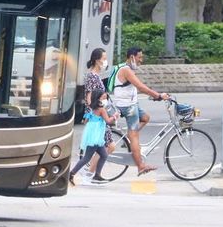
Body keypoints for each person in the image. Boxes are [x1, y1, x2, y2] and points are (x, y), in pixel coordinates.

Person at [111, 46, 170, 176]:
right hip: (128, 106)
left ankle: (129, 138)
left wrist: (153, 97)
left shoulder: (128, 69)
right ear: (132, 57)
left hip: (131, 104)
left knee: (145, 118)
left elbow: (133, 89)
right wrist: (157, 95)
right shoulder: (126, 70)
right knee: (135, 136)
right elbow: (140, 87)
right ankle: (140, 166)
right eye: (139, 57)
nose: (141, 60)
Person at [69, 89, 118, 186]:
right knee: (87, 158)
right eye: (103, 97)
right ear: (98, 98)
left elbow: (85, 121)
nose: (105, 99)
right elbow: (108, 121)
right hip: (96, 136)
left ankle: (97, 175)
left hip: (92, 135)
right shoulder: (101, 109)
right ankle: (71, 174)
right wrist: (115, 116)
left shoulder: (92, 108)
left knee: (103, 155)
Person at [82, 47, 117, 170]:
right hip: (98, 118)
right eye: (104, 59)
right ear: (97, 60)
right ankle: (91, 172)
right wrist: (98, 112)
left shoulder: (95, 75)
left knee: (103, 148)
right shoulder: (92, 76)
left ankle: (92, 173)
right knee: (109, 146)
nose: (106, 61)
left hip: (99, 117)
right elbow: (89, 99)